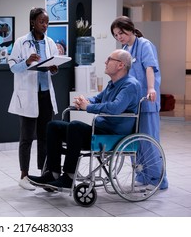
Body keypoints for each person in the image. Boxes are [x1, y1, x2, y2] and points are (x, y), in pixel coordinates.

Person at [28, 49, 141, 189]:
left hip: (113, 136)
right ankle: (53, 173)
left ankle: (69, 177)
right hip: (100, 131)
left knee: (75, 126)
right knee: (53, 126)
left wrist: (87, 107)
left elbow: (115, 108)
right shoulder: (112, 84)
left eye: (109, 59)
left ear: (120, 65)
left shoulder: (130, 85)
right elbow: (98, 98)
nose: (105, 62)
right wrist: (85, 100)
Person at [110, 15, 168, 189]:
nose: (119, 37)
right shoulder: (125, 49)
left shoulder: (144, 45)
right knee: (135, 142)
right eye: (116, 35)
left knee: (149, 141)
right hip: (132, 103)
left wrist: (151, 88)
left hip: (147, 101)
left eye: (121, 32)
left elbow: (149, 67)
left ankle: (157, 180)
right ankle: (143, 175)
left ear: (131, 29)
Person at [8, 7, 60, 190]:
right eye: (41, 22)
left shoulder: (50, 42)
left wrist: (54, 69)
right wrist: (27, 62)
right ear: (32, 22)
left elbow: (54, 63)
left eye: (47, 22)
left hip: (45, 95)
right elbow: (13, 67)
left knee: (45, 137)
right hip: (28, 95)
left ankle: (44, 175)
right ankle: (24, 176)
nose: (45, 25)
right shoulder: (21, 43)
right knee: (27, 137)